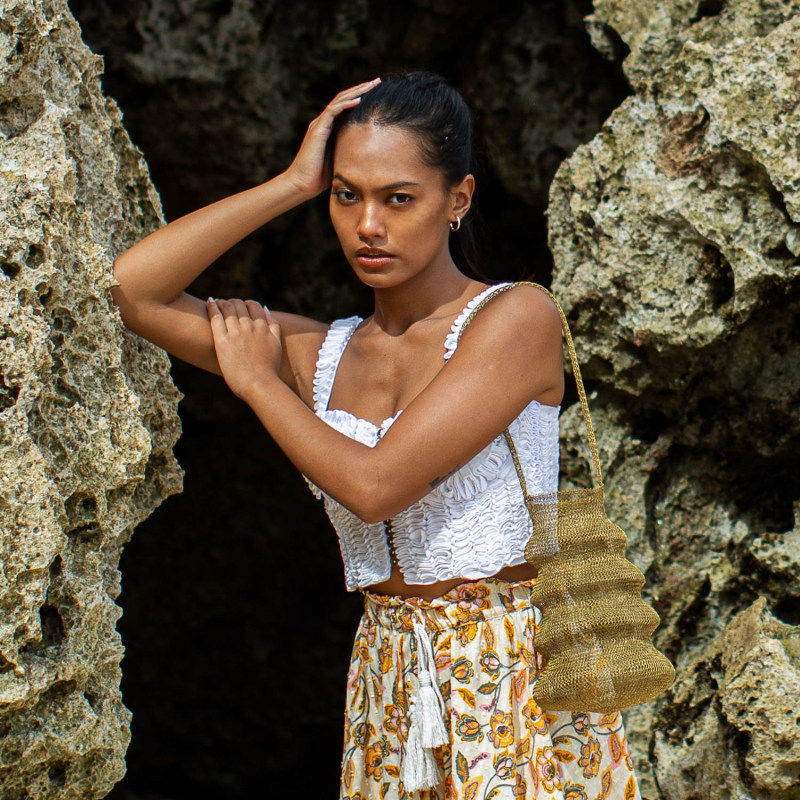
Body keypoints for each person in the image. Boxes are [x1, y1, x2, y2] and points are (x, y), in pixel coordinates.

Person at [112, 71, 642, 800]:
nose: (368, 225)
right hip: (387, 671)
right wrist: (291, 183)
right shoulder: (316, 353)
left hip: (510, 673)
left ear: (457, 199)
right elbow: (133, 291)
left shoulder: (516, 320)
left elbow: (375, 487)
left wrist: (259, 384)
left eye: (399, 198)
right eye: (346, 194)